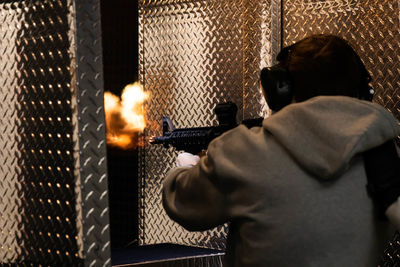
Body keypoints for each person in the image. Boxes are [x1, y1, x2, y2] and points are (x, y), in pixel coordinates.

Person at [161, 34, 400, 266]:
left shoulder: (244, 151)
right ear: (362, 94)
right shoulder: (383, 156)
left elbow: (183, 205)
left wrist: (186, 167)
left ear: (280, 89)